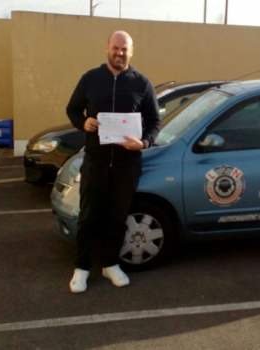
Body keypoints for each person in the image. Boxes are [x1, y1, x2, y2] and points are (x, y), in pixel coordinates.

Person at [65, 30, 161, 293]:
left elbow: (154, 121)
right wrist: (82, 122)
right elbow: (73, 109)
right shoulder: (91, 78)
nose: (120, 53)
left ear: (131, 51)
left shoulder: (142, 83)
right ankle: (82, 268)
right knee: (88, 216)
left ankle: (110, 264)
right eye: (115, 48)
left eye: (125, 49)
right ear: (107, 47)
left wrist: (143, 143)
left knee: (117, 217)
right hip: (95, 160)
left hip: (127, 164)